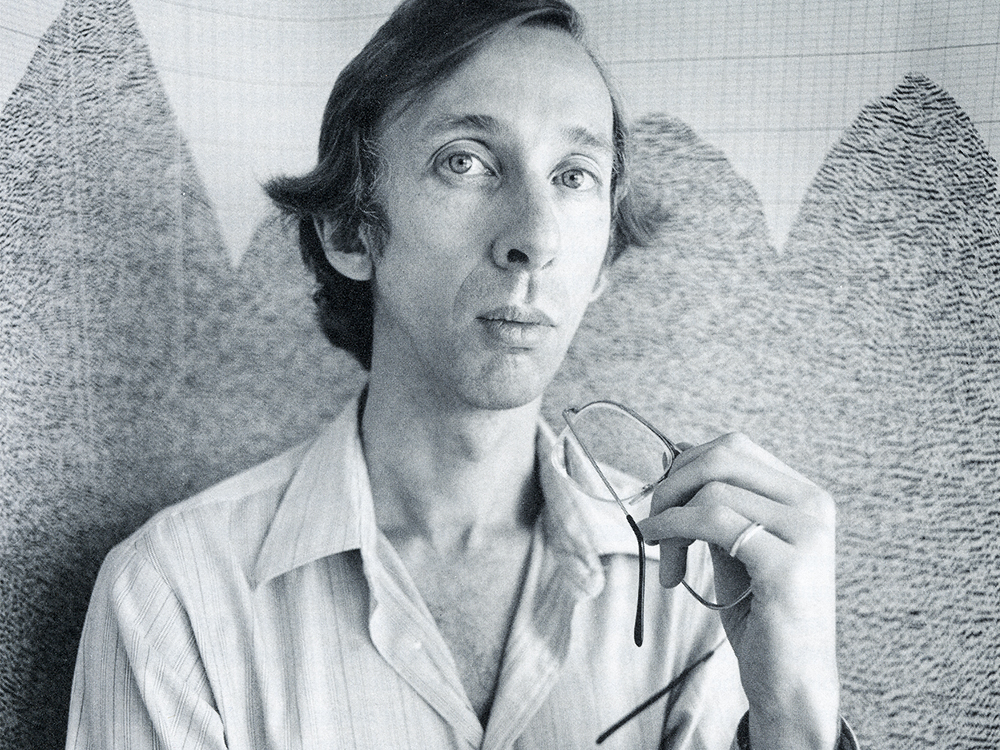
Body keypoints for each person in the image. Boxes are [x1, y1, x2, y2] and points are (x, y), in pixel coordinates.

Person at [66, 0, 857, 747]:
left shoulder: (701, 589)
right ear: (350, 228)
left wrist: (793, 718)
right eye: (467, 162)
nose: (535, 237)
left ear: (604, 256)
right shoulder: (174, 600)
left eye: (574, 174)